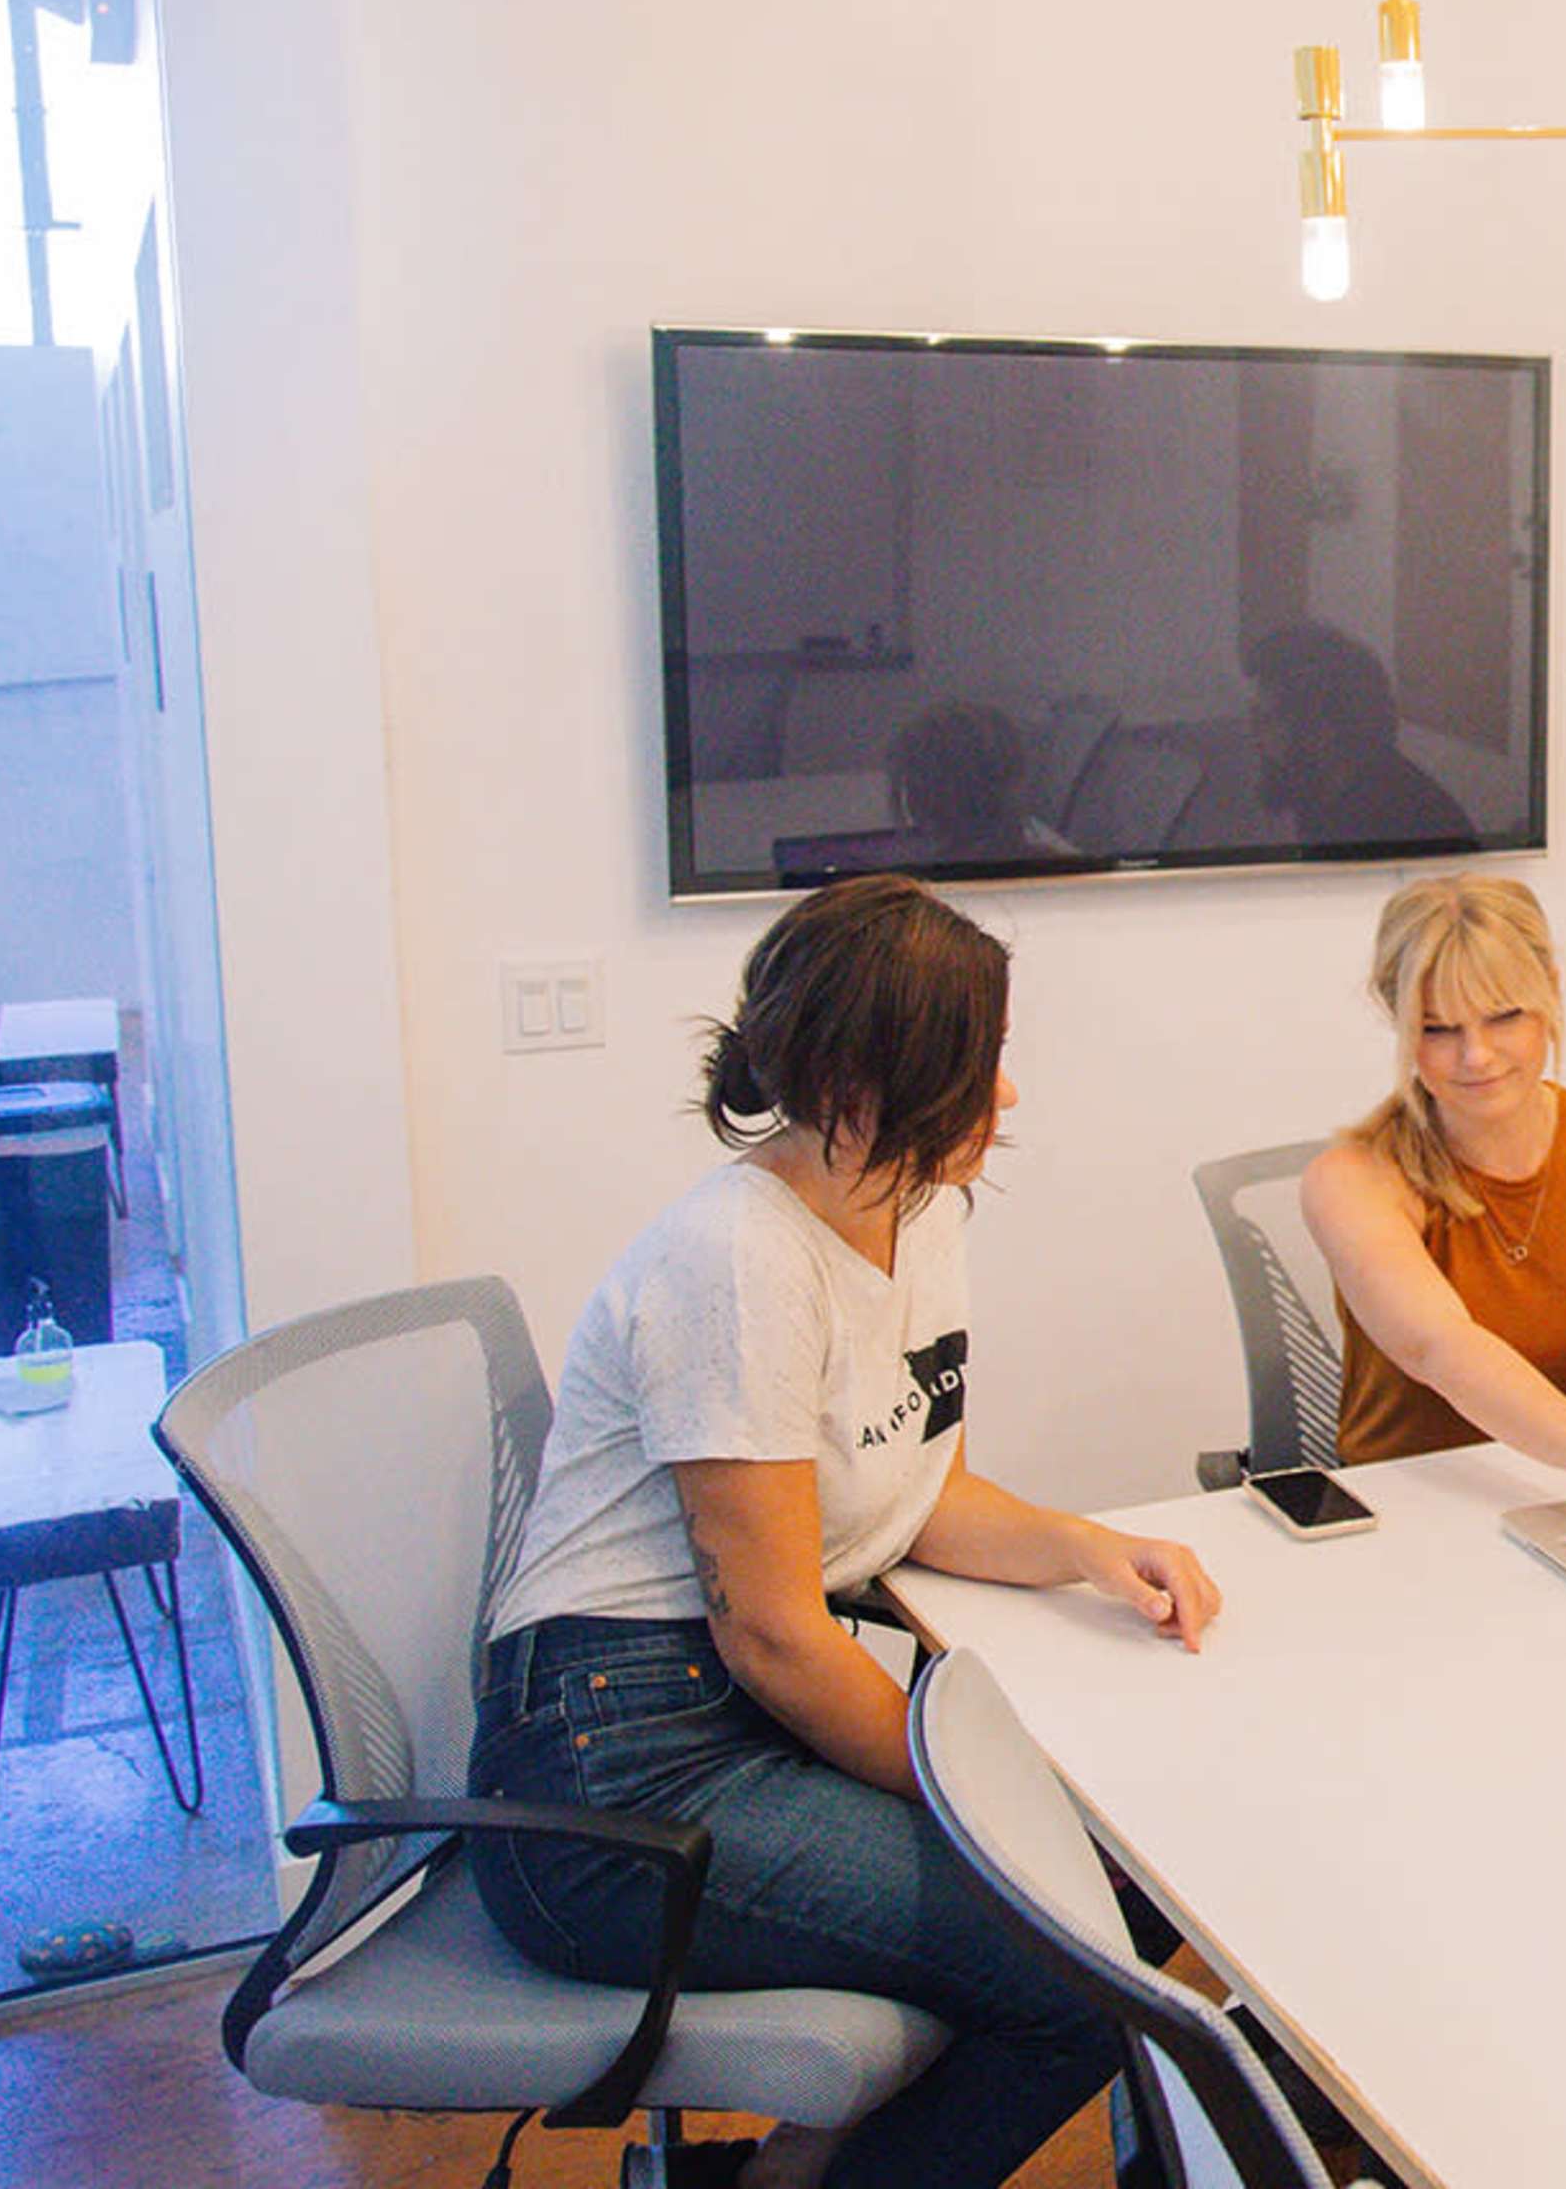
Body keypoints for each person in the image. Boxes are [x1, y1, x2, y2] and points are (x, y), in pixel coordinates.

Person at [469, 875, 1223, 2189]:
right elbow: (769, 1636)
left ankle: (793, 2170)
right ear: (866, 1096)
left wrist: (1090, 1547)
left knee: (1139, 1881)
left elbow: (916, 1492)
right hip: (611, 1783)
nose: (1009, 1097)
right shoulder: (738, 1264)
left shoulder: (910, 1209)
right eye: (978, 1068)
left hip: (730, 1720)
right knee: (1078, 1971)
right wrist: (994, 1803)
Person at [1301, 873, 1566, 1480]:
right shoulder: (1350, 1181)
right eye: (1438, 1029)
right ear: (1394, 1019)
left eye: (1504, 1017)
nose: (1476, 1055)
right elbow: (1441, 1347)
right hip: (1412, 1508)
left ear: (1550, 993)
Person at [1246, 622, 1478, 851]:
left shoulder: (1406, 823)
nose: (1253, 731)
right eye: (1253, 715)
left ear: (1321, 728)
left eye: (1266, 718)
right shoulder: (1322, 788)